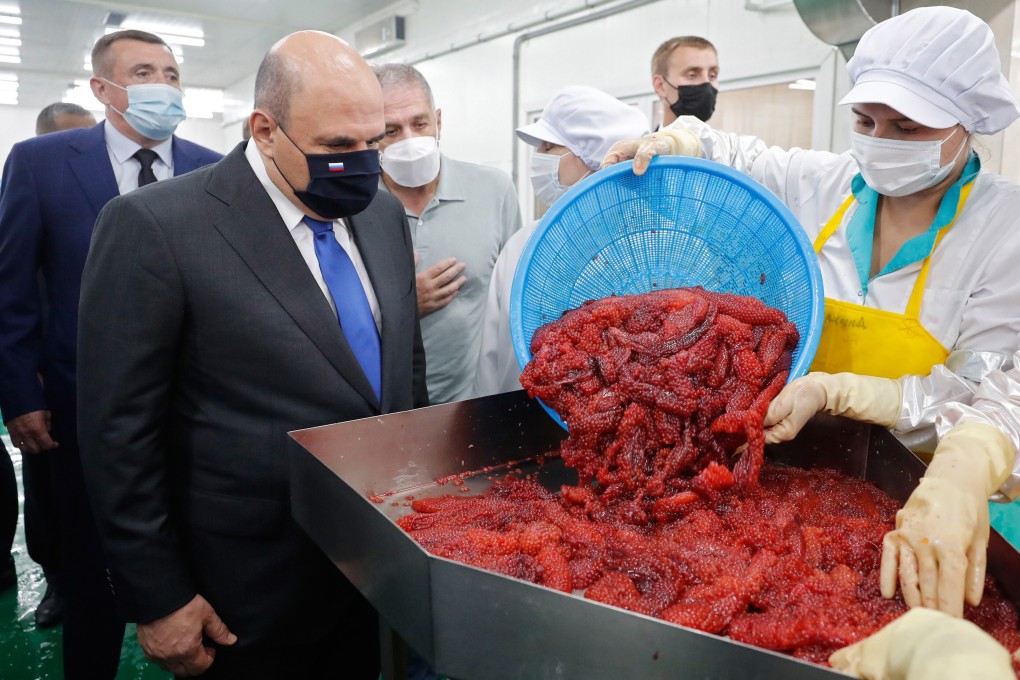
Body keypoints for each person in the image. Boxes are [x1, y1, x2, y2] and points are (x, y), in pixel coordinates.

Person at [601, 5, 1020, 621]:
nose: (881, 143)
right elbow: (737, 155)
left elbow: (994, 391)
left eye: (907, 128)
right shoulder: (828, 183)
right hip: (804, 468)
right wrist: (679, 139)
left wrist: (857, 398)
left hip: (936, 498)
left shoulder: (1004, 229)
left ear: (969, 122)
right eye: (866, 120)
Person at [77, 30, 427, 679]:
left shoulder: (379, 215)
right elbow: (117, 433)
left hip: (380, 567)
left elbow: (403, 372)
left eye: (371, 142)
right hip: (247, 591)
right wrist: (159, 597)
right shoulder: (158, 228)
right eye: (335, 147)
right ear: (264, 130)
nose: (361, 162)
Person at [0, 29, 221, 678]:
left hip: (193, 404)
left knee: (200, 552)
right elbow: (11, 287)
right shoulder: (41, 162)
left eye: (173, 73)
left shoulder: (212, 168)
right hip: (78, 404)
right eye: (146, 71)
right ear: (103, 88)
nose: (164, 85)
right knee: (90, 564)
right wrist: (20, 394)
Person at [473, 85, 650, 397]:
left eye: (548, 147)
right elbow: (495, 354)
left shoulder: (647, 245)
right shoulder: (522, 243)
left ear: (593, 158)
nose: (537, 157)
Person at [373, 63, 523, 404]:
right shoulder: (357, 209)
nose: (409, 140)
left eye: (419, 123)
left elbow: (517, 294)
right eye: (391, 131)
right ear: (372, 136)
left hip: (478, 402)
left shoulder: (493, 190)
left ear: (438, 121)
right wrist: (405, 307)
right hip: (391, 406)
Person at [651, 35, 719, 127]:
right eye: (692, 75)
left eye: (712, 76)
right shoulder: (642, 141)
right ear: (660, 86)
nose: (706, 83)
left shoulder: (728, 141)